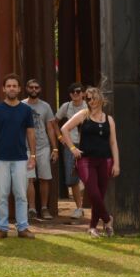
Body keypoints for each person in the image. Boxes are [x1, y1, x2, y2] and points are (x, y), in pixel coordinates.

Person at [60, 86, 121, 237]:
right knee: (93, 192)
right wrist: (72, 148)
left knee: (99, 195)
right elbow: (64, 129)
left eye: (93, 97)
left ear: (100, 98)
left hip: (105, 160)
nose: (91, 101)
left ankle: (92, 227)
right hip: (86, 160)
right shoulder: (83, 114)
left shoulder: (109, 119)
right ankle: (107, 219)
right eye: (88, 98)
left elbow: (113, 143)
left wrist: (116, 163)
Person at [0, 74, 36, 239]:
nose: (12, 88)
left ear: (19, 89)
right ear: (3, 89)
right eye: (9, 86)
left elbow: (30, 133)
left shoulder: (26, 110)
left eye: (15, 86)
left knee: (21, 194)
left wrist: (33, 155)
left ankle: (22, 228)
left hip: (21, 158)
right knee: (1, 195)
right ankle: (2, 228)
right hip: (0, 158)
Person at [23, 78, 59, 220]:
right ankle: (32, 209)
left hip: (43, 146)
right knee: (29, 178)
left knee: (45, 178)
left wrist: (55, 148)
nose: (33, 90)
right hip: (25, 147)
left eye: (36, 87)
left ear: (40, 89)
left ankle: (44, 208)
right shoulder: (21, 105)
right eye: (31, 87)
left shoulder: (45, 106)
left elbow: (50, 128)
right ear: (26, 88)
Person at [55, 82, 88, 220]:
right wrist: (60, 137)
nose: (76, 94)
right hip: (70, 144)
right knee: (72, 177)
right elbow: (54, 121)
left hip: (86, 144)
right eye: (73, 92)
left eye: (78, 91)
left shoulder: (88, 106)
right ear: (70, 94)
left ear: (83, 93)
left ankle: (93, 205)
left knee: (90, 175)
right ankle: (79, 207)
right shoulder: (66, 106)